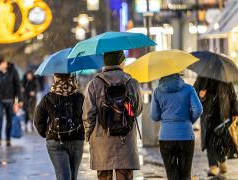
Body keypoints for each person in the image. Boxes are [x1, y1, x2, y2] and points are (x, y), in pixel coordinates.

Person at [84, 50, 143, 180]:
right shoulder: (132, 83)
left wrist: (89, 136)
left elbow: (88, 115)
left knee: (104, 177)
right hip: (125, 140)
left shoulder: (94, 84)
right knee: (125, 176)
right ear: (121, 62)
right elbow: (137, 110)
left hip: (102, 141)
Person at [151, 74, 203, 180]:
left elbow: (155, 116)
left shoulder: (157, 92)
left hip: (166, 137)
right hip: (186, 135)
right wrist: (189, 121)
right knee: (185, 175)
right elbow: (198, 109)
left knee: (171, 174)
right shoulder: (189, 89)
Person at [34, 73, 85, 180]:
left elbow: (38, 120)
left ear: (55, 78)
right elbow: (87, 117)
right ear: (71, 78)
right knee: (73, 176)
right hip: (76, 139)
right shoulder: (79, 97)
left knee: (63, 176)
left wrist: (46, 133)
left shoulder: (47, 98)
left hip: (55, 140)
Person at [194, 77, 238, 176]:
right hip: (208, 116)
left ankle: (222, 160)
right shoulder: (202, 78)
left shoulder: (225, 77)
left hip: (224, 115)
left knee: (221, 139)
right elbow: (193, 94)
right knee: (210, 141)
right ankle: (213, 166)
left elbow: (232, 96)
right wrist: (200, 96)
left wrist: (235, 111)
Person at [0, 58, 21, 146]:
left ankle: (8, 139)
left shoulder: (13, 71)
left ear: (4, 63)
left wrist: (20, 99)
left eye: (0, 65)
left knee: (9, 119)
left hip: (10, 98)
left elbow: (17, 84)